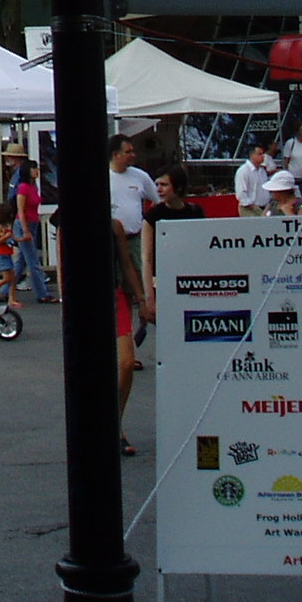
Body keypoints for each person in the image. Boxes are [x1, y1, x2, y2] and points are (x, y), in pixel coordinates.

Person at [108, 136, 158, 343]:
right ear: (115, 154)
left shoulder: (140, 177)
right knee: (120, 292)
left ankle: (141, 327)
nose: (133, 155)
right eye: (128, 151)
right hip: (112, 242)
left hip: (135, 240)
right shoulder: (105, 177)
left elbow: (157, 201)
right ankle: (124, 339)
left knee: (141, 286)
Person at [143, 165, 206, 318]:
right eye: (156, 185)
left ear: (178, 188)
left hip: (192, 282)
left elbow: (204, 250)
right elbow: (147, 258)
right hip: (163, 283)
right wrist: (149, 297)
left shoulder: (196, 212)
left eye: (164, 185)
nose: (159, 190)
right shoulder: (152, 216)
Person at [113, 217, 149, 456]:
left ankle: (115, 422)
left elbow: (126, 263)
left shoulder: (114, 226)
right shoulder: (69, 224)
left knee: (127, 362)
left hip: (116, 295)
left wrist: (141, 298)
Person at [4, 147, 55, 304]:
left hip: (32, 222)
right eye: (35, 169)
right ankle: (42, 293)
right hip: (24, 223)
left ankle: (5, 290)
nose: (37, 171)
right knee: (33, 260)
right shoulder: (23, 187)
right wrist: (24, 229)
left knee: (22, 261)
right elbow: (20, 208)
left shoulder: (32, 186)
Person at [235, 144, 272, 215]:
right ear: (252, 155)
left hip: (264, 208)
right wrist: (251, 205)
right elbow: (241, 192)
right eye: (259, 154)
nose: (263, 156)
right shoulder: (243, 171)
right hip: (250, 209)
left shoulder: (262, 170)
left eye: (263, 154)